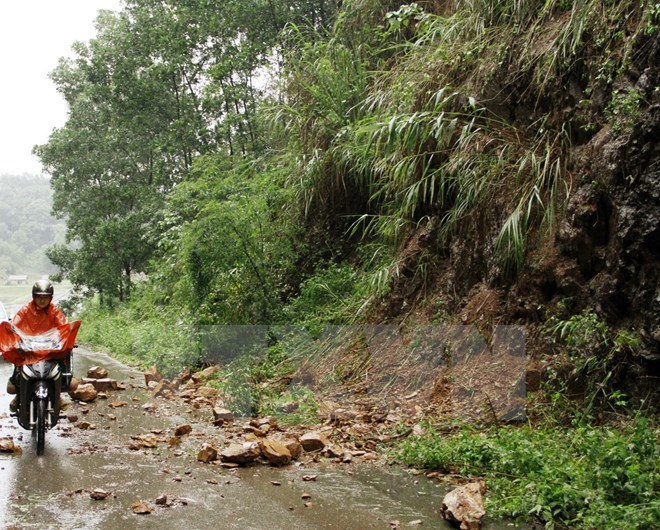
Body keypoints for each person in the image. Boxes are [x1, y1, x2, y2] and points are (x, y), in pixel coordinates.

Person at [7, 279, 76, 411]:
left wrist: (65, 337)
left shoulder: (55, 312)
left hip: (49, 350)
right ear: (34, 297)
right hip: (30, 349)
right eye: (39, 297)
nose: (42, 300)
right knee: (18, 367)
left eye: (45, 297)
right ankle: (19, 396)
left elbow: (63, 326)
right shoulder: (25, 310)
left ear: (50, 298)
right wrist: (14, 337)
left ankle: (58, 396)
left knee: (61, 367)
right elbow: (15, 324)